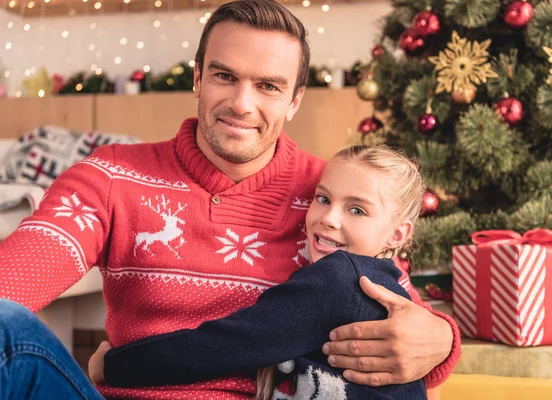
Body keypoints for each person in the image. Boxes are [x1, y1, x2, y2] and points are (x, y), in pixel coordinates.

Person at [0, 1, 460, 399]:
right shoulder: (112, 176)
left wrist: (441, 338)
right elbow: (16, 279)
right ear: (198, 78)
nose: (242, 103)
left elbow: (395, 307)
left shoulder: (328, 197)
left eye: (268, 86)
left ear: (295, 100)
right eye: (225, 76)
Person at [87, 144, 429, 400]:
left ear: (398, 234)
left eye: (357, 210)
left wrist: (115, 366)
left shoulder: (338, 280)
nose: (329, 218)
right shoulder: (384, 280)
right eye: (323, 199)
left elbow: (224, 345)